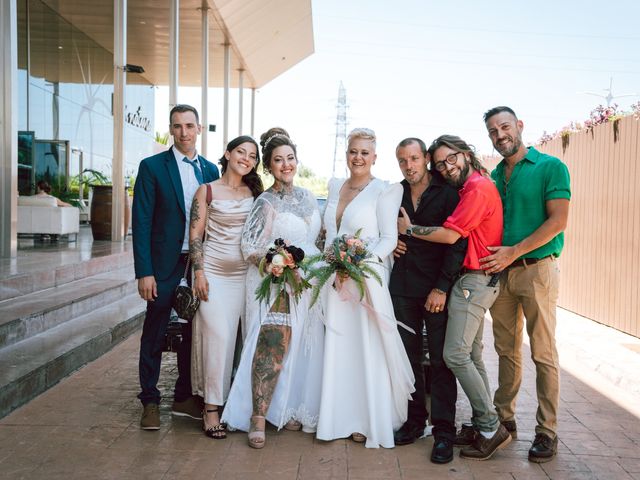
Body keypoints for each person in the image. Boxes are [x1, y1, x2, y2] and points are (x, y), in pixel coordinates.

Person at [397, 134, 509, 460]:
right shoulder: (464, 187)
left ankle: (483, 426)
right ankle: (478, 423)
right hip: (457, 281)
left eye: (452, 158)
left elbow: (452, 237)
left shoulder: (472, 189)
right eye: (441, 162)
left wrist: (410, 231)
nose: (447, 167)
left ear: (465, 153)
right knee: (469, 356)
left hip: (468, 282)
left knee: (453, 357)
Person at [222, 128, 324, 449]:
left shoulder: (308, 197)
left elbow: (316, 240)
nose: (286, 165)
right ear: (268, 166)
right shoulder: (265, 202)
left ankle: (286, 407)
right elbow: (249, 245)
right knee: (272, 344)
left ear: (297, 160)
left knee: (300, 347)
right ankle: (258, 416)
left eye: (290, 158)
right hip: (277, 282)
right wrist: (274, 264)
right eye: (278, 160)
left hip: (308, 285)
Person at [479, 106, 571, 463]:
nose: (499, 135)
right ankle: (504, 419)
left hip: (537, 270)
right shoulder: (494, 176)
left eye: (504, 127)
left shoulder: (550, 167)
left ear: (519, 126)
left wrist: (514, 251)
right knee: (506, 351)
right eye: (492, 131)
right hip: (502, 273)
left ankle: (547, 431)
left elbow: (558, 221)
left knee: (543, 352)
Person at [316, 128, 414, 449]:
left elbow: (389, 239)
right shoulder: (334, 186)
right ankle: (337, 417)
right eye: (353, 151)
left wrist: (355, 264)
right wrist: (333, 264)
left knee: (364, 347)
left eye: (364, 153)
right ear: (346, 154)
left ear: (374, 157)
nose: (358, 158)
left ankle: (364, 419)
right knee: (339, 346)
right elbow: (329, 233)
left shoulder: (385, 191)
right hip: (333, 277)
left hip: (365, 279)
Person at [132, 104, 220, 430]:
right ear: (171, 130)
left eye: (189, 126)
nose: (184, 132)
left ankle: (184, 396)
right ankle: (150, 401)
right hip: (163, 265)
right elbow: (141, 222)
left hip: (198, 264)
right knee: (155, 331)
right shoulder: (153, 167)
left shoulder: (211, 171)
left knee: (192, 333)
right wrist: (144, 271)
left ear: (199, 129)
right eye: (177, 126)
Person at [390, 138, 466, 463]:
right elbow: (381, 230)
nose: (409, 166)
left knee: (440, 362)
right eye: (403, 161)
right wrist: (392, 242)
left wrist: (442, 287)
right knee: (407, 360)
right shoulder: (394, 194)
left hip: (435, 289)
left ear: (425, 159)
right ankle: (414, 421)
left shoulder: (448, 194)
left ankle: (444, 433)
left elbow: (457, 244)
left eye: (414, 158)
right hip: (403, 288)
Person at [189, 135, 263, 439]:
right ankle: (210, 409)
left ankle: (237, 406)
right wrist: (199, 273)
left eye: (252, 155)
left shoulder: (256, 194)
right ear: (227, 153)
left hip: (246, 276)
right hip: (214, 275)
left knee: (242, 342)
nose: (246, 158)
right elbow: (195, 236)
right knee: (217, 339)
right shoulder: (206, 191)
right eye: (240, 152)